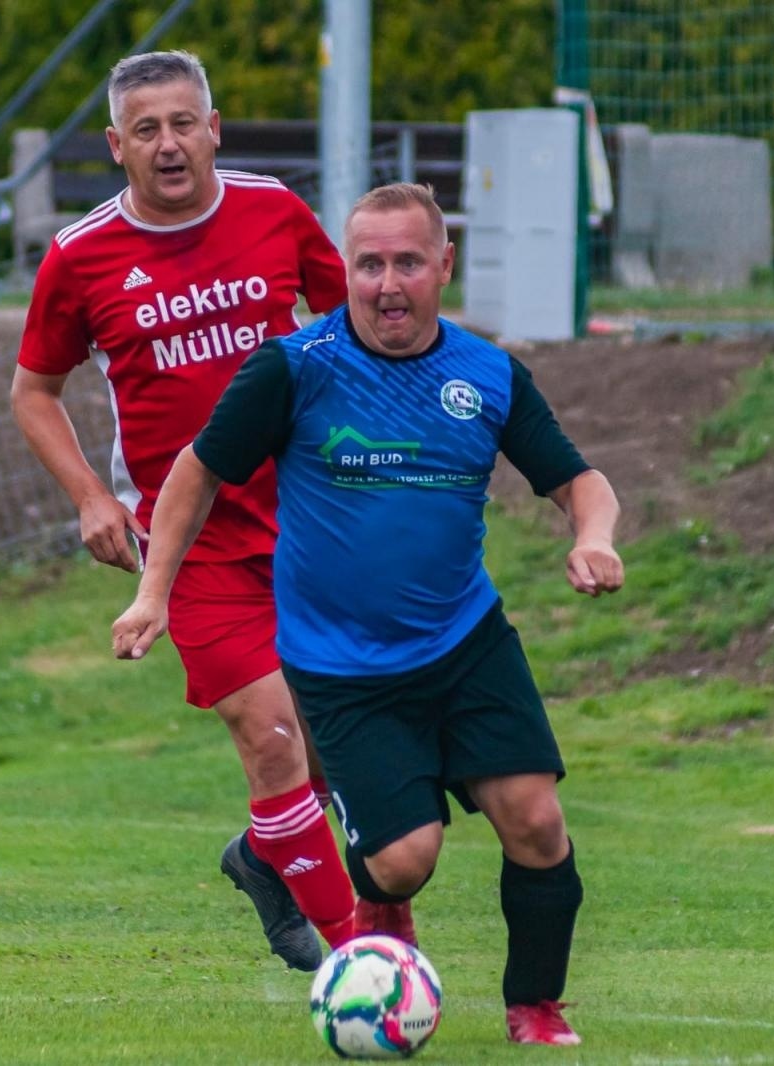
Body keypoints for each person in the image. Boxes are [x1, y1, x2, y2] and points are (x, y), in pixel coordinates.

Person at [112, 182, 623, 1047]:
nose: (388, 283)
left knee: (536, 822)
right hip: (344, 670)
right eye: (369, 264)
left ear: (444, 267)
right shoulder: (295, 368)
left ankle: (535, 1006)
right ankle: (379, 907)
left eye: (408, 263)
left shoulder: (486, 373)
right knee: (404, 858)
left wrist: (595, 535)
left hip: (466, 645)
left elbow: (578, 479)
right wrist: (152, 591)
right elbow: (195, 472)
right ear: (346, 269)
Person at [10, 49, 409, 969]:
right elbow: (33, 392)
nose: (169, 143)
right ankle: (359, 963)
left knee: (318, 755)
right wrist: (88, 498)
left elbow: (358, 328)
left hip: (313, 528)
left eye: (184, 122)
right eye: (146, 129)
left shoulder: (273, 212)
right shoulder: (81, 257)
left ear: (214, 128)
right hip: (186, 543)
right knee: (270, 738)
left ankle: (265, 855)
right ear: (117, 146)